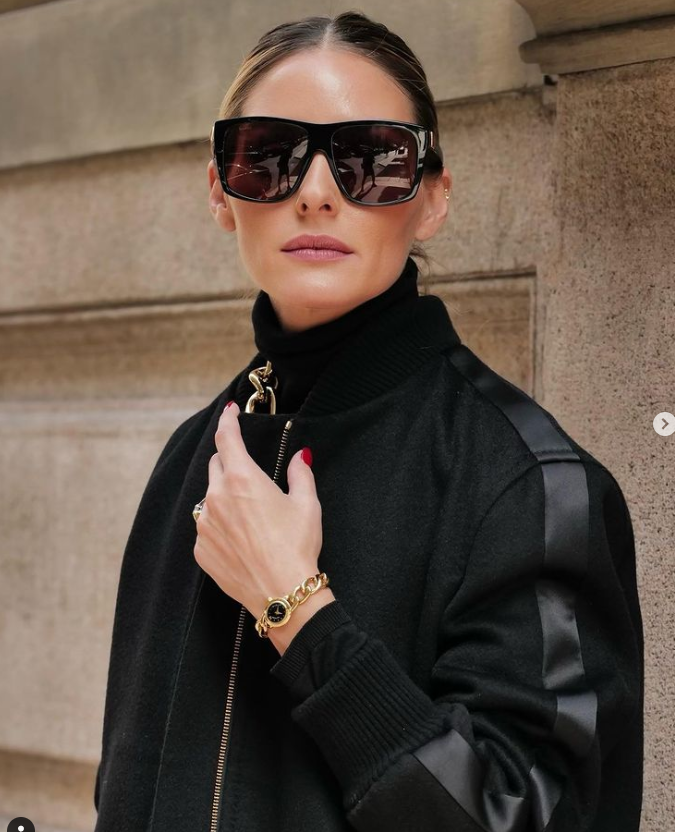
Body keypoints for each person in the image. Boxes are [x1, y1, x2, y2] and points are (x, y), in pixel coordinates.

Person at [93, 11, 644, 832]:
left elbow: (526, 816)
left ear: (432, 198)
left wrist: (297, 612)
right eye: (268, 156)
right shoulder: (194, 457)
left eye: (371, 160)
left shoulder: (525, 483)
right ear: (219, 191)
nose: (315, 192)